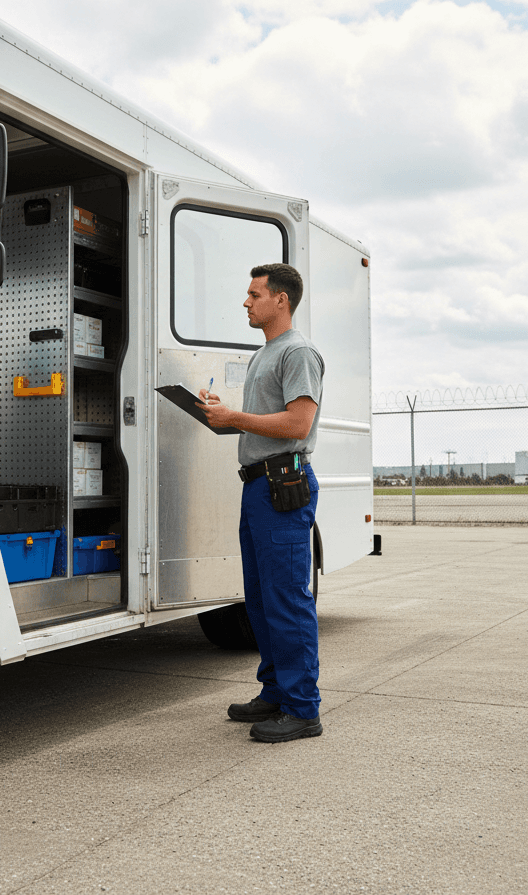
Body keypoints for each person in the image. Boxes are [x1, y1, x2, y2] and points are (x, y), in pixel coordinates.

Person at [196, 263, 324, 743]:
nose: (246, 302)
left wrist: (237, 417)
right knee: (260, 598)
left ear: (281, 300)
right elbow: (261, 420)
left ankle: (302, 709)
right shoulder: (265, 354)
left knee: (287, 599)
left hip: (282, 484)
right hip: (257, 486)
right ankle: (275, 691)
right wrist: (219, 415)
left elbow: (297, 426)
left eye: (254, 294)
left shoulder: (299, 353)